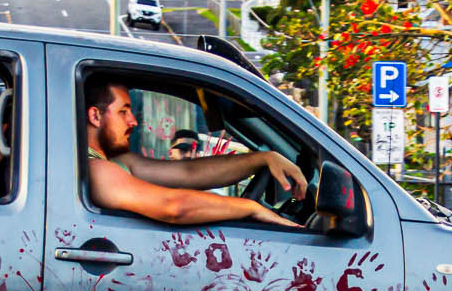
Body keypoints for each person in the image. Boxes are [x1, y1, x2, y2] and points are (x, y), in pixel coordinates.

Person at [83, 75, 303, 226]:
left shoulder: (120, 162)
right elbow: (173, 207)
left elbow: (189, 172)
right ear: (95, 116)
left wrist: (264, 158)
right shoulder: (97, 169)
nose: (133, 121)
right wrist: (251, 208)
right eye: (123, 112)